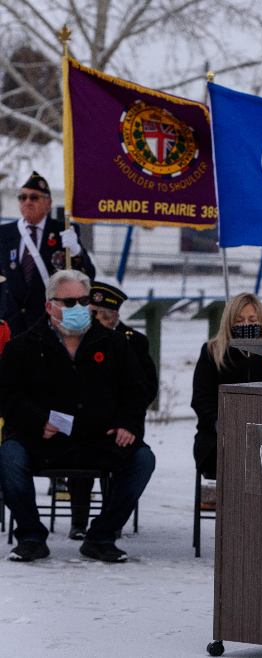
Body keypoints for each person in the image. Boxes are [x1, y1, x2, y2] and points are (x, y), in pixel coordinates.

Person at [0, 270, 154, 563]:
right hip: (43, 440)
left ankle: (101, 536)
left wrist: (127, 423)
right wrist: (36, 420)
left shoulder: (115, 344)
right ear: (49, 306)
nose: (78, 308)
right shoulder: (22, 346)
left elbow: (136, 391)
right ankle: (31, 536)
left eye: (83, 301)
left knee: (143, 460)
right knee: (9, 456)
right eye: (69, 302)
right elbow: (7, 396)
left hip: (99, 439)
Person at [66, 281, 159, 540]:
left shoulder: (134, 342)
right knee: (78, 448)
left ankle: (109, 520)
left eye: (98, 313)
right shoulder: (76, 340)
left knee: (125, 458)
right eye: (90, 311)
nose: (92, 317)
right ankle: (79, 520)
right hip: (86, 419)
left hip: (122, 421)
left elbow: (146, 386)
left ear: (114, 315)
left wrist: (123, 417)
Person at [191, 293, 262, 479]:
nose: (246, 325)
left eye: (252, 319)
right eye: (239, 321)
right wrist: (223, 424)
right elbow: (202, 398)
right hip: (220, 437)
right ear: (229, 323)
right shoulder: (212, 352)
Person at [0, 171, 95, 337]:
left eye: (34, 197)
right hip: (10, 324)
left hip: (47, 324)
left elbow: (87, 274)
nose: (27, 202)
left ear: (48, 202)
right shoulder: (5, 233)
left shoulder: (63, 231)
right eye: (23, 197)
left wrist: (76, 251)